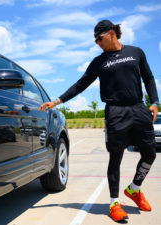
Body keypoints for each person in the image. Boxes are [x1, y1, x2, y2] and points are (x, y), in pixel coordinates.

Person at [38, 19, 159, 222]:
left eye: (100, 38)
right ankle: (114, 203)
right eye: (95, 40)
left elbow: (148, 78)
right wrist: (57, 101)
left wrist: (154, 102)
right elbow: (80, 84)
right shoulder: (99, 62)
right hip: (115, 112)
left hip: (139, 108)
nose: (98, 43)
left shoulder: (136, 52)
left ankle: (135, 189)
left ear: (112, 33)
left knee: (149, 154)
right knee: (116, 157)